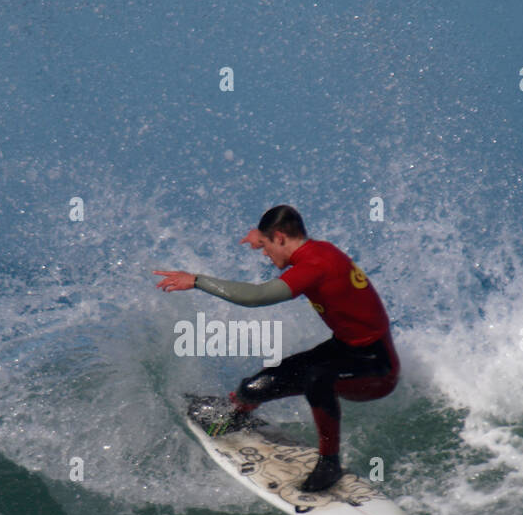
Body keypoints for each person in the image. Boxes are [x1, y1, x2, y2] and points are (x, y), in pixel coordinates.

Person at [154, 204, 400, 493]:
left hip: (376, 367)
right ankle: (237, 413)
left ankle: (329, 462)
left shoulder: (315, 265)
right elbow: (278, 239)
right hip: (342, 350)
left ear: (281, 238)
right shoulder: (313, 251)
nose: (265, 254)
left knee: (317, 378)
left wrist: (196, 280)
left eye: (266, 246)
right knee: (254, 388)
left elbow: (257, 296)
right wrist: (262, 235)